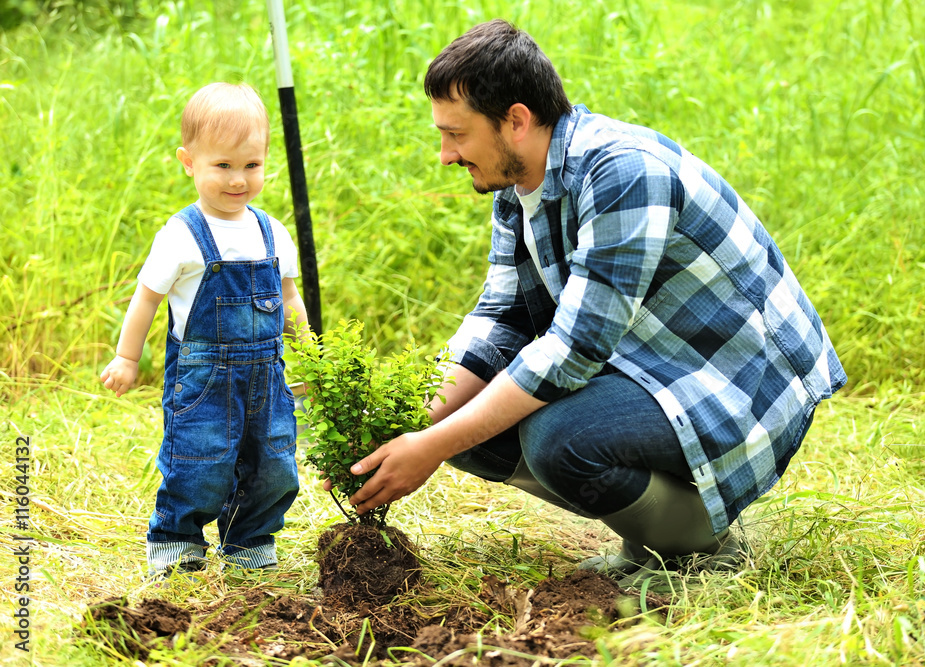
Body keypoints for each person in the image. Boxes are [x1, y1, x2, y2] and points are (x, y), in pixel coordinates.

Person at [343, 20, 847, 580]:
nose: (444, 154)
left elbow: (575, 349)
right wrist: (416, 427)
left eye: (457, 134)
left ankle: (699, 547)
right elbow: (500, 319)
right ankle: (656, 533)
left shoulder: (622, 173)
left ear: (515, 120)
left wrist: (430, 445)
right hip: (651, 363)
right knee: (462, 422)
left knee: (559, 437)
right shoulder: (516, 189)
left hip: (737, 379)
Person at [100, 83, 308, 578]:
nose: (238, 180)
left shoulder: (271, 231)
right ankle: (176, 539)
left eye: (251, 165)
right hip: (203, 380)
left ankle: (251, 538)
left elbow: (290, 298)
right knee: (200, 460)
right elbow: (147, 297)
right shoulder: (181, 235)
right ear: (188, 161)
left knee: (273, 461)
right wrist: (128, 358)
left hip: (266, 377)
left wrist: (314, 355)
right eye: (223, 166)